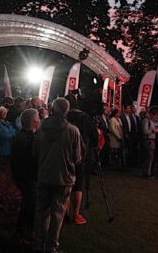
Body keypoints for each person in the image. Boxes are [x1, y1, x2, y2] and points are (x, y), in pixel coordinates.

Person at [33, 98, 84, 253]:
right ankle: (51, 247)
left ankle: (38, 245)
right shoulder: (72, 130)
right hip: (64, 178)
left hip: (44, 175)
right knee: (58, 214)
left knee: (41, 212)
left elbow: (35, 152)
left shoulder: (41, 128)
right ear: (67, 111)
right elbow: (78, 158)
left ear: (53, 109)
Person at [64, 94, 97, 225]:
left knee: (65, 185)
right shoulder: (85, 117)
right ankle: (76, 214)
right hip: (80, 155)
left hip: (64, 154)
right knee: (78, 185)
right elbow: (94, 138)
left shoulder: (63, 116)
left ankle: (65, 212)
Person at [11, 108, 41, 242]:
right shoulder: (31, 140)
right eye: (39, 118)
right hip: (28, 178)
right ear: (35, 123)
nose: (40, 120)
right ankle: (27, 233)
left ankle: (21, 230)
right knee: (31, 204)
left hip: (20, 176)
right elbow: (33, 160)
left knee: (27, 202)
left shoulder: (19, 136)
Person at [141, 106, 158, 179]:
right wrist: (153, 131)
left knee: (149, 157)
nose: (156, 117)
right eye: (156, 115)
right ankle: (147, 173)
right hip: (148, 141)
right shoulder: (146, 120)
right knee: (149, 157)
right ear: (152, 114)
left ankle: (146, 172)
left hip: (151, 141)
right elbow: (145, 131)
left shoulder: (152, 121)